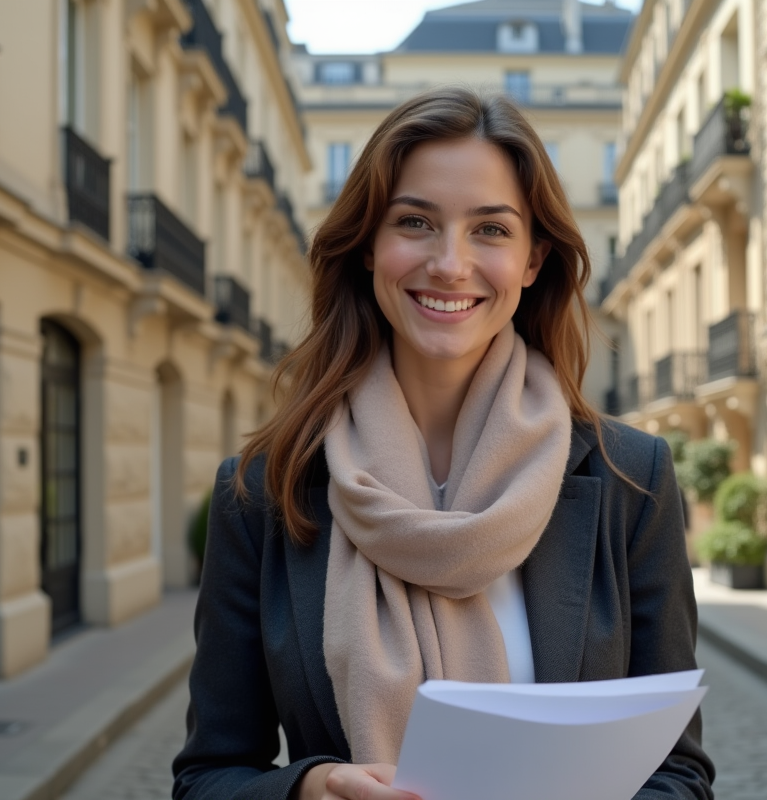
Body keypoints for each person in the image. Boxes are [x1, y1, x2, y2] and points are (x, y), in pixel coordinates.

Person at [172, 87, 715, 800]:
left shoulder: (631, 479)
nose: (450, 263)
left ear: (532, 260)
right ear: (369, 245)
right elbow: (207, 778)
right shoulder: (262, 491)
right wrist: (310, 790)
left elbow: (678, 771)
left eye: (490, 230)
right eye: (416, 222)